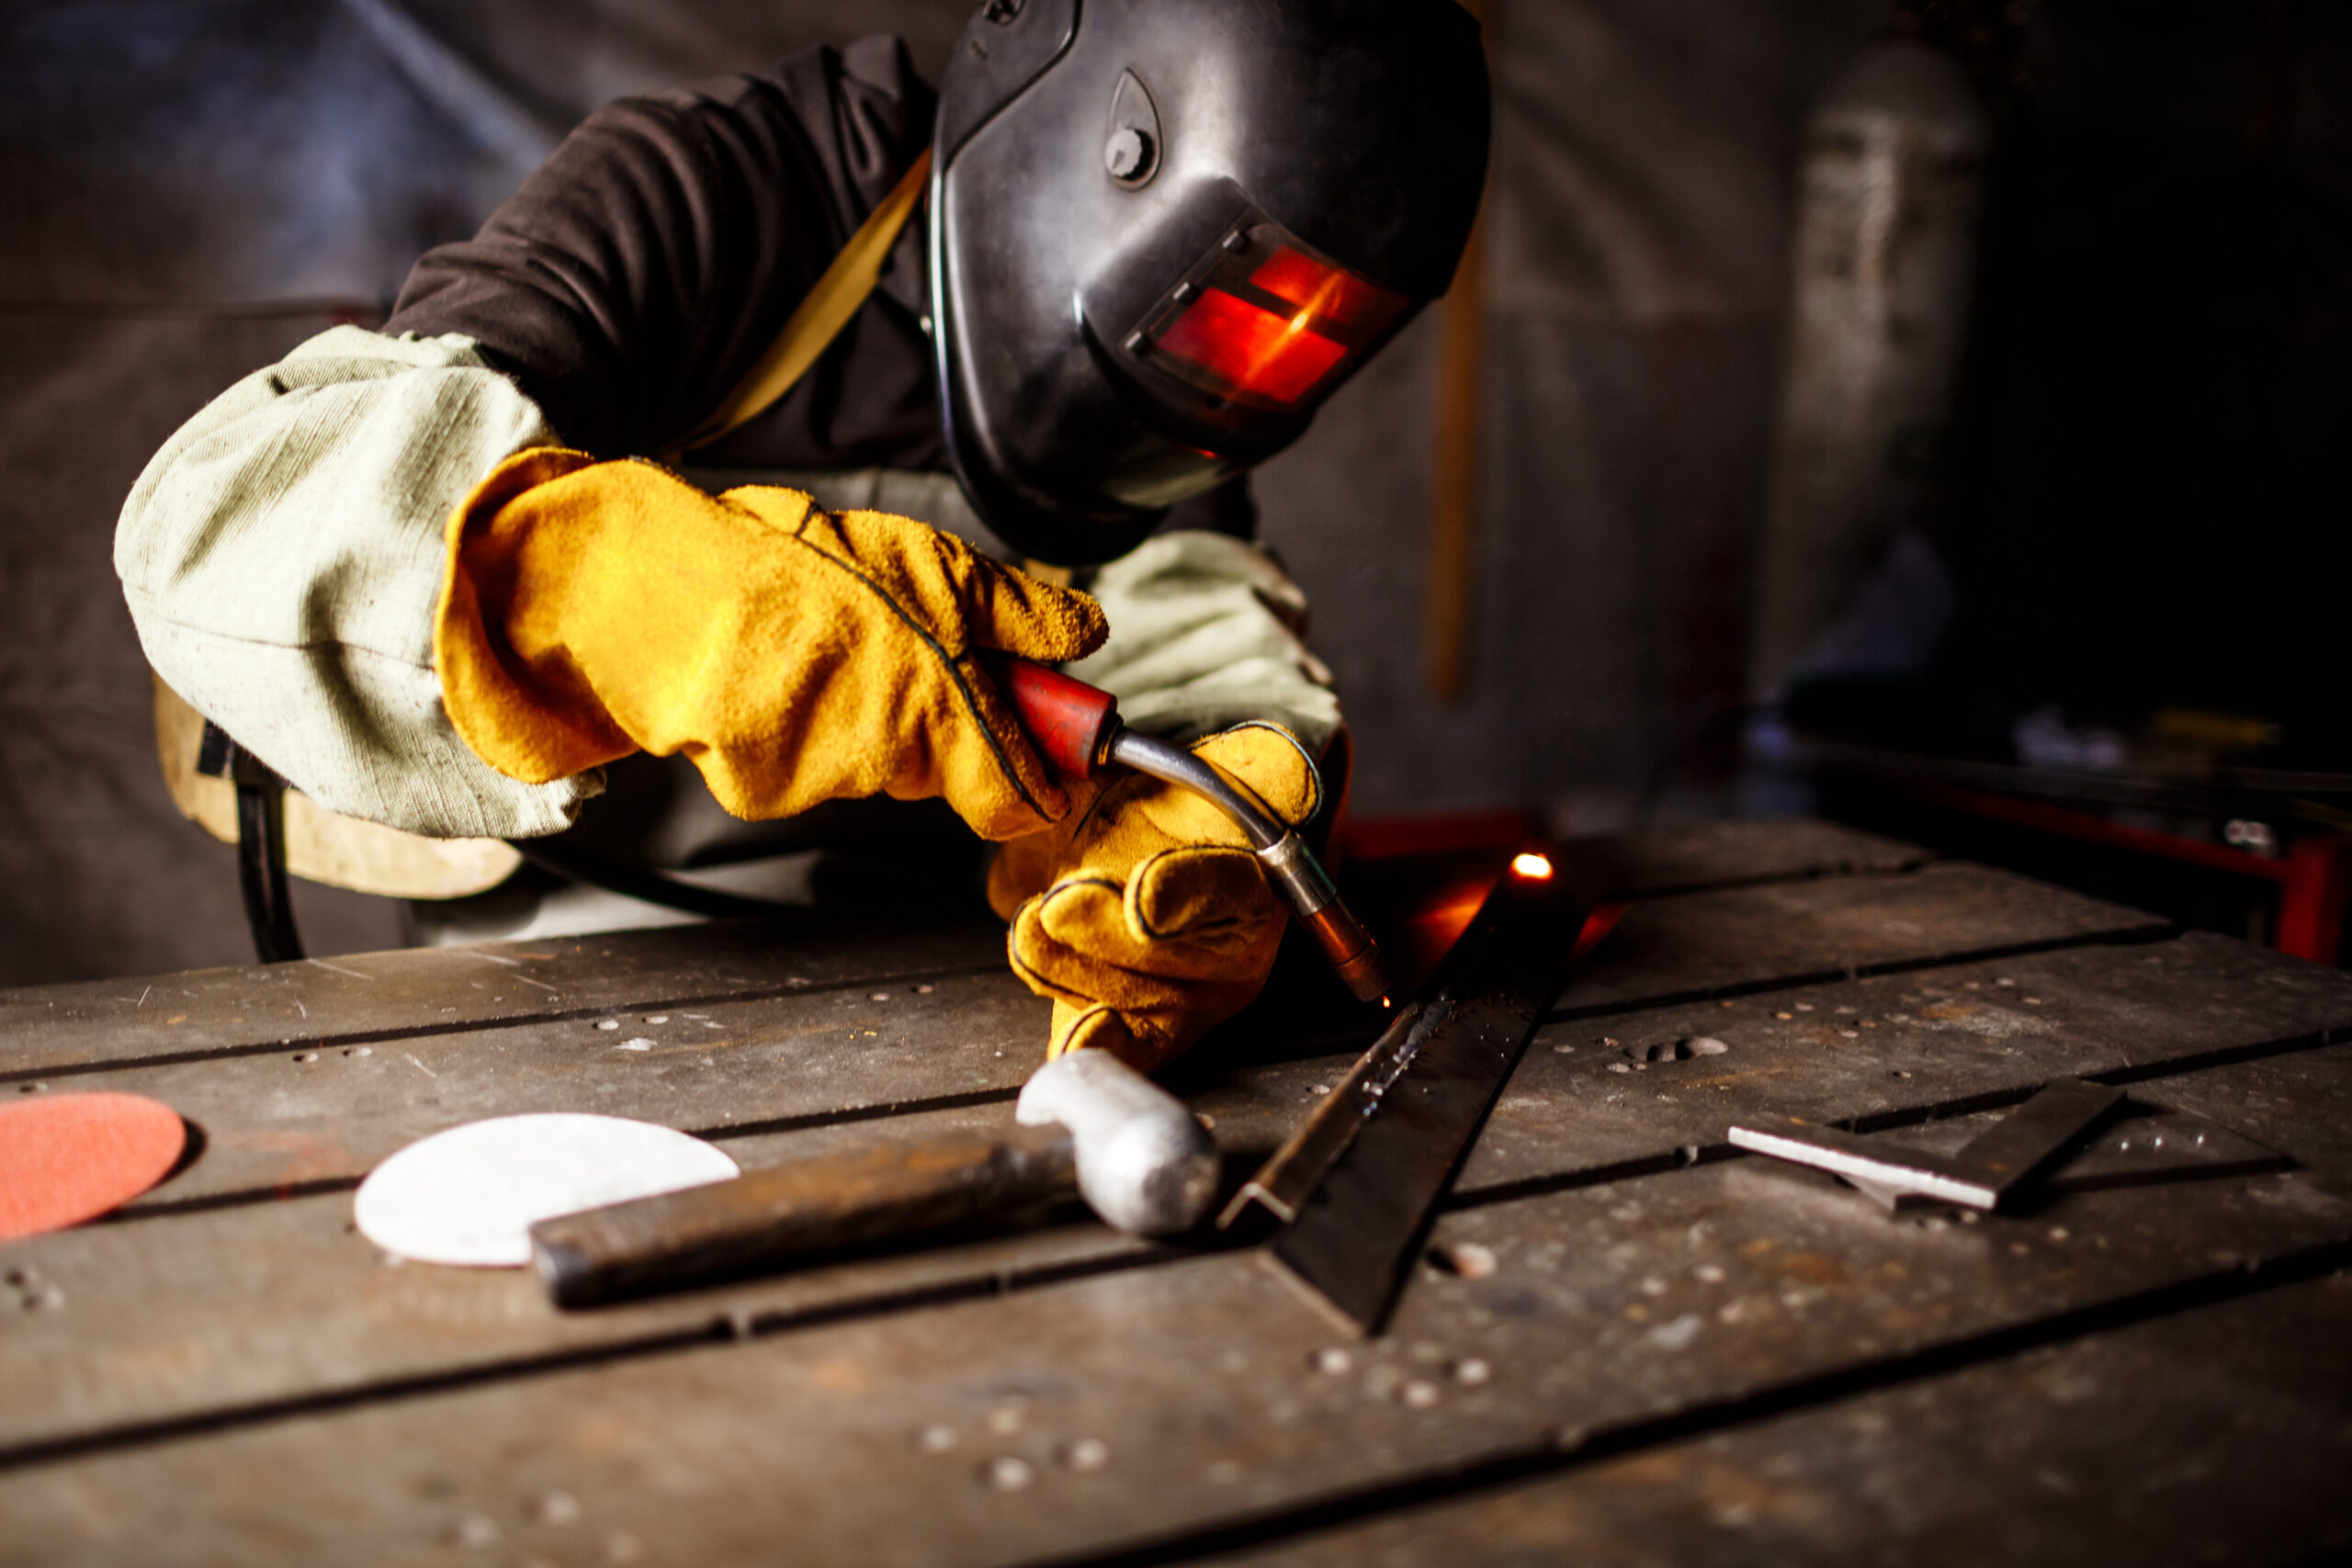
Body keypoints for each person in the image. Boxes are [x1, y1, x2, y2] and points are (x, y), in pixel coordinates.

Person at [115, 0, 1489, 1071]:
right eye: (1225, 302)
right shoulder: (723, 196)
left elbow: (1186, 602)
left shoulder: (1187, 395)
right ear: (1099, 152)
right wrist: (638, 601)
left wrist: (1230, 781)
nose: (1244, 371)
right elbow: (229, 522)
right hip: (591, 965)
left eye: (1308, 340)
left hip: (952, 963)